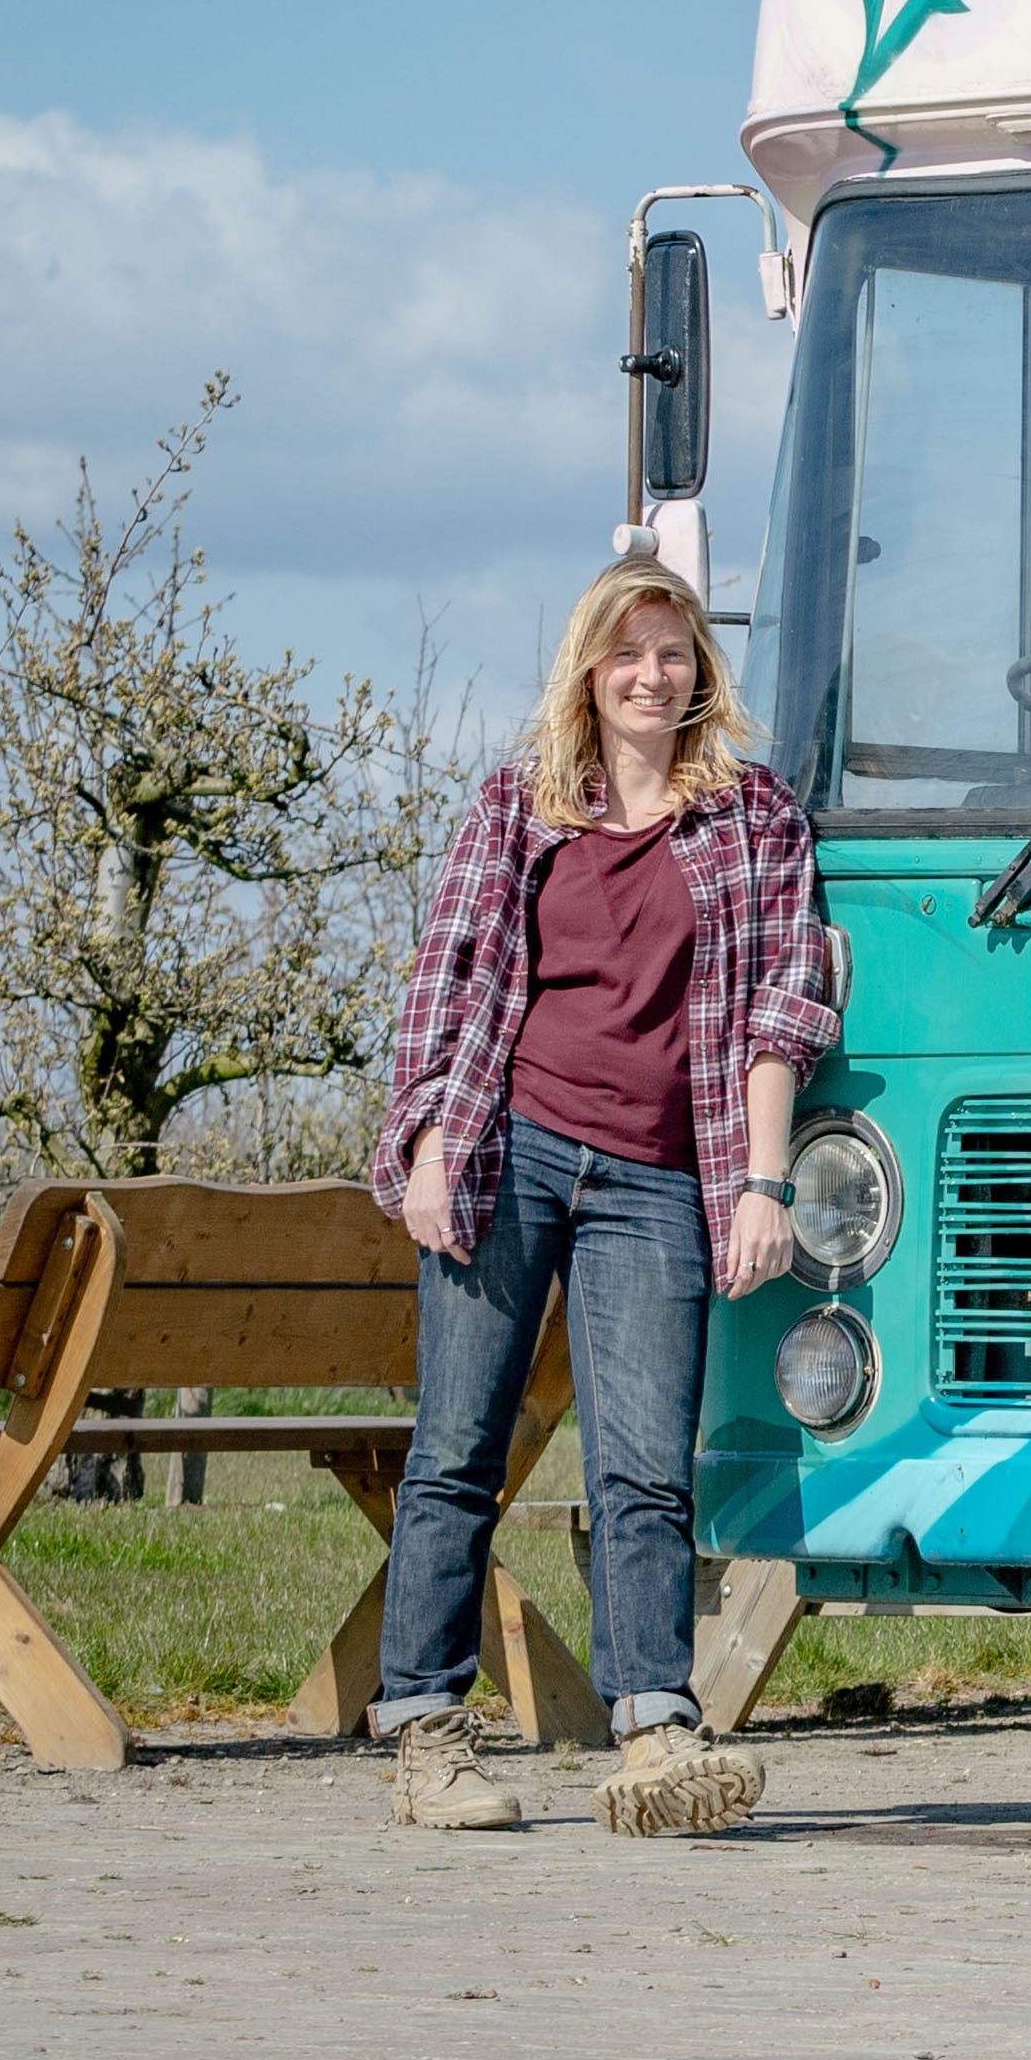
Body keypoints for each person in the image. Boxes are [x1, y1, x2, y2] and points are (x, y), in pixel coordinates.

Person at [370, 558, 833, 1834]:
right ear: (590, 666)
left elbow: (786, 1003)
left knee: (644, 1468)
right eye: (627, 652)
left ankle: (652, 1733)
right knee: (458, 1452)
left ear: (701, 670)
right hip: (507, 1147)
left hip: (657, 1174)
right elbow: (446, 982)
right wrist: (424, 1147)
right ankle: (424, 1728)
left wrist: (761, 1179)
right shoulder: (513, 809)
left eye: (673, 651)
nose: (651, 673)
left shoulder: (753, 818)